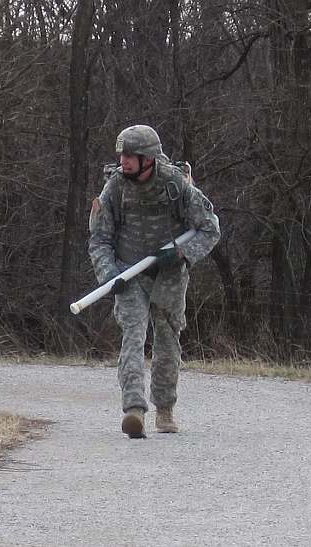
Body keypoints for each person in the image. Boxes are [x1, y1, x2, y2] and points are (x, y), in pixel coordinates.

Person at [87, 124, 221, 439]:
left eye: (132, 155)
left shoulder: (176, 185)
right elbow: (99, 239)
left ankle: (164, 410)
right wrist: (109, 275)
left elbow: (210, 227)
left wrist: (181, 254)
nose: (125, 161)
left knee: (167, 340)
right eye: (122, 155)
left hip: (170, 275)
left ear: (148, 158)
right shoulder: (115, 188)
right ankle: (134, 410)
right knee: (132, 336)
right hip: (128, 273)